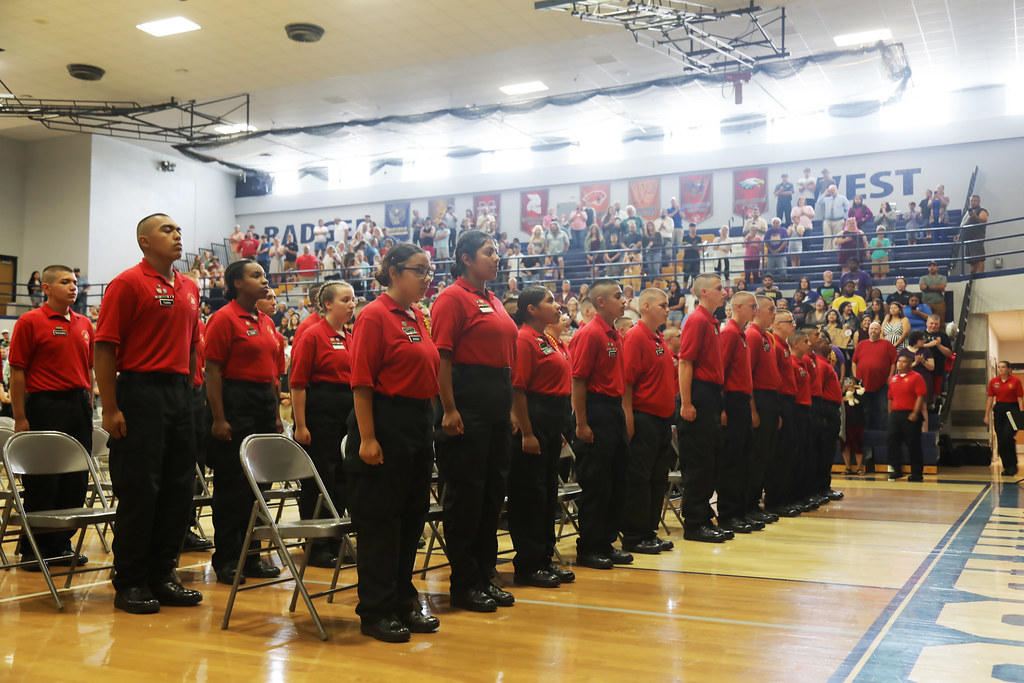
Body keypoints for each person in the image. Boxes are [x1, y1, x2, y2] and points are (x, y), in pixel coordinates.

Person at [95, 213, 203, 614]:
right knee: (142, 489)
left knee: (178, 489)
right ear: (144, 241)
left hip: (180, 393)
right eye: (166, 230)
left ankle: (163, 574)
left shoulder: (190, 286)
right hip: (140, 390)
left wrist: (191, 392)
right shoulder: (127, 283)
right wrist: (110, 407)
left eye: (178, 230)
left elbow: (193, 345)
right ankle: (131, 579)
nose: (177, 236)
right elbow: (104, 348)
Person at [345, 242, 440, 643]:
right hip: (384, 419)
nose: (427, 278)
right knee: (382, 521)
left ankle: (403, 597)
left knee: (411, 517)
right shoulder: (374, 315)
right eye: (419, 270)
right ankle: (376, 609)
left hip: (417, 422)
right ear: (394, 271)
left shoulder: (416, 315)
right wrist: (367, 437)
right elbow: (362, 382)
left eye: (429, 270)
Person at [432, 230, 519, 612]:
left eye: (497, 252)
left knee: (491, 493)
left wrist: (511, 409)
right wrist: (449, 409)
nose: (497, 258)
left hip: (496, 401)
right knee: (467, 495)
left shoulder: (493, 299)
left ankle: (485, 575)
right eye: (489, 252)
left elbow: (504, 360)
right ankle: (464, 583)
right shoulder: (452, 298)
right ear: (466, 258)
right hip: (467, 400)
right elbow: (443, 359)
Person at [8, 265, 93, 569]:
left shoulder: (85, 323)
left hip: (79, 405)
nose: (73, 286)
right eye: (64, 281)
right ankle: (35, 548)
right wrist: (19, 416)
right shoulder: (30, 322)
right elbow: (18, 371)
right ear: (45, 287)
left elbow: (90, 370)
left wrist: (90, 404)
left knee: (76, 476)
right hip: (45, 405)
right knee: (45, 479)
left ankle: (61, 543)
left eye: (74, 281)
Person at [205, 260, 284, 586]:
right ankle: (226, 559)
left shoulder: (265, 321)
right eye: (256, 276)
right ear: (236, 282)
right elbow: (212, 372)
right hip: (235, 403)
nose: (265, 281)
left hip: (263, 402)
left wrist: (277, 415)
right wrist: (220, 418)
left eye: (264, 276)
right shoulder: (224, 318)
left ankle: (252, 557)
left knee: (259, 487)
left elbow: (273, 373)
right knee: (234, 488)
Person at [507, 287, 575, 588]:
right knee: (530, 496)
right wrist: (528, 431)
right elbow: (518, 389)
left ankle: (545, 557)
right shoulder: (523, 338)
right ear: (532, 309)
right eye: (550, 301)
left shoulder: (545, 338)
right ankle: (528, 563)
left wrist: (556, 428)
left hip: (551, 419)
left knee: (547, 493)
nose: (557, 305)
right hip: (533, 418)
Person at [289, 281, 356, 568]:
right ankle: (316, 545)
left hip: (346, 410)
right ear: (328, 304)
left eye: (353, 300)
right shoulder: (313, 335)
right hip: (320, 410)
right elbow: (298, 384)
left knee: (342, 476)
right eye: (345, 300)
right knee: (319, 478)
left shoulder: (351, 337)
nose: (352, 304)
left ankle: (335, 538)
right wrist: (301, 425)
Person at [569, 279, 632, 568]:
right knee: (596, 483)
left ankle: (607, 541)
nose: (624, 300)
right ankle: (590, 547)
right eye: (618, 296)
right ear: (601, 302)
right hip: (595, 409)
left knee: (617, 480)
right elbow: (578, 381)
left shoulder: (614, 334)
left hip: (613, 410)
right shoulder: (590, 334)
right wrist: (581, 423)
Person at [621, 288, 677, 553]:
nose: (668, 309)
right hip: (643, 417)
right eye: (663, 305)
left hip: (662, 419)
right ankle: (634, 535)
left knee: (657, 478)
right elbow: (627, 383)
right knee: (639, 478)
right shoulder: (635, 337)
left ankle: (649, 531)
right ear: (646, 306)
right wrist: (629, 417)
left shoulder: (657, 338)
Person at [677, 273, 731, 542]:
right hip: (698, 392)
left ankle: (704, 518)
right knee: (698, 462)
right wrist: (686, 402)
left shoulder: (712, 321)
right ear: (704, 293)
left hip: (710, 394)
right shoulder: (697, 320)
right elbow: (685, 362)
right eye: (720, 288)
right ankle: (694, 523)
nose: (725, 291)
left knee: (710, 460)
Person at [717, 291, 760, 534]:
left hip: (742, 401)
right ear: (739, 307)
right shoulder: (730, 332)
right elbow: (721, 372)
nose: (755, 310)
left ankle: (740, 511)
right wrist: (722, 407)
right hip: (731, 401)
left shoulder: (741, 333)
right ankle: (728, 514)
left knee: (744, 458)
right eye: (752, 306)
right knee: (732, 461)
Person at [744, 296, 781, 526]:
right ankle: (749, 504)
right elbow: (748, 375)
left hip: (770, 399)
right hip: (758, 398)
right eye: (771, 309)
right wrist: (753, 409)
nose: (774, 314)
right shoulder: (753, 335)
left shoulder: (766, 336)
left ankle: (755, 503)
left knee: (766, 455)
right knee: (756, 456)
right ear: (757, 311)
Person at [765, 310, 802, 517]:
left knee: (788, 452)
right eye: (790, 321)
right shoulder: (775, 344)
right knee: (779, 454)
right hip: (780, 400)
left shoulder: (784, 345)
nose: (794, 325)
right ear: (778, 325)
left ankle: (783, 498)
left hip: (790, 400)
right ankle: (775, 501)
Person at [886, 355, 928, 482]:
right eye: (899, 361)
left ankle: (916, 473)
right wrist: (890, 413)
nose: (900, 364)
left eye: (904, 362)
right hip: (896, 414)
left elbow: (920, 396)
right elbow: (890, 398)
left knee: (913, 444)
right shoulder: (893, 379)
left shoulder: (916, 377)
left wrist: (915, 412)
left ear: (910, 364)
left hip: (910, 414)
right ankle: (897, 470)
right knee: (892, 441)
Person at [852, 322, 898, 431]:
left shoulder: (887, 345)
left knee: (883, 409)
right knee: (865, 410)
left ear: (880, 331)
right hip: (863, 385)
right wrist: (855, 377)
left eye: (876, 329)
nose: (873, 331)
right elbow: (854, 362)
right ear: (868, 331)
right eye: (871, 329)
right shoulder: (861, 344)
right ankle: (867, 433)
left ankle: (883, 435)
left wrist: (890, 377)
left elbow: (893, 363)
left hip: (882, 384)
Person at [985, 361, 1024, 476]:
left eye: (1003, 367)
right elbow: (990, 399)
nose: (1001, 369)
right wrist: (986, 414)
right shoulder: (994, 382)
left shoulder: (1015, 381)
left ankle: (1013, 464)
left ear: (1008, 369)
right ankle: (1007, 466)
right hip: (999, 410)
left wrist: (1021, 415)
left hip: (1012, 409)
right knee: (1001, 439)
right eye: (999, 367)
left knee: (1007, 436)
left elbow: (1020, 398)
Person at [840, 377, 867, 475]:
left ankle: (859, 468)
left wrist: (854, 392)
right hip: (844, 423)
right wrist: (844, 391)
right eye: (848, 382)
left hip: (857, 422)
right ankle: (848, 467)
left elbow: (863, 404)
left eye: (852, 382)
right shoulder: (842, 393)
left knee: (857, 444)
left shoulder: (860, 393)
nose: (850, 384)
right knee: (844, 445)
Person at [956, 194, 989, 275]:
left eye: (975, 200)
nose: (973, 202)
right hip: (968, 240)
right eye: (972, 201)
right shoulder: (968, 212)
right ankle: (972, 278)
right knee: (972, 261)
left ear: (979, 202)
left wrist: (975, 216)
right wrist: (959, 235)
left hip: (976, 238)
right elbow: (963, 224)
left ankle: (981, 275)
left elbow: (984, 220)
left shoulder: (982, 210)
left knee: (979, 258)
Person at [923, 314, 953, 399]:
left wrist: (939, 345)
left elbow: (950, 354)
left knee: (937, 394)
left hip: (938, 369)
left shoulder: (943, 336)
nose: (933, 326)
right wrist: (928, 345)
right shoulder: (920, 334)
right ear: (927, 323)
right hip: (923, 370)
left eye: (936, 324)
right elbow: (913, 348)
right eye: (931, 323)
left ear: (939, 325)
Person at [815, 185, 850, 252]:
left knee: (836, 237)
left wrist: (846, 219)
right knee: (827, 237)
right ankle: (826, 251)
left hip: (839, 220)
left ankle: (835, 251)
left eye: (834, 190)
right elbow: (819, 202)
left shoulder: (842, 198)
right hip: (827, 221)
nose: (832, 191)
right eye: (831, 190)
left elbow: (847, 208)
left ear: (836, 190)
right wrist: (824, 194)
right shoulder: (827, 199)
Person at [789, 198, 814, 269]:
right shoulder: (795, 208)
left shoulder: (809, 207)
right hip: (796, 230)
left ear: (805, 201)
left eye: (802, 200)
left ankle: (807, 261)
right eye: (799, 200)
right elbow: (792, 216)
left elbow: (812, 215)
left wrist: (804, 212)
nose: (801, 201)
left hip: (807, 228)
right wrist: (801, 213)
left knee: (807, 243)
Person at [681, 223, 703, 289]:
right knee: (686, 276)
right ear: (689, 228)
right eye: (691, 227)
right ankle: (684, 291)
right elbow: (684, 247)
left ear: (696, 228)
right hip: (687, 259)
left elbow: (700, 248)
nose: (693, 228)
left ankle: (697, 290)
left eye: (694, 227)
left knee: (696, 276)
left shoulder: (699, 238)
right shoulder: (685, 237)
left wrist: (690, 245)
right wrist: (694, 246)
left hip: (696, 259)